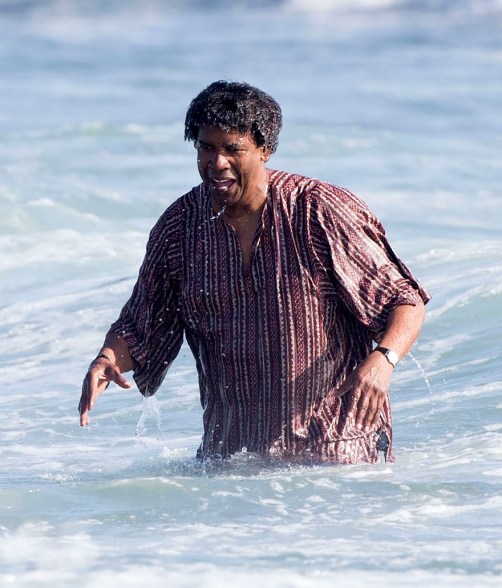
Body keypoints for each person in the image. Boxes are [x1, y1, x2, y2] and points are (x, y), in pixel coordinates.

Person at [79, 80, 430, 464]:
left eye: (233, 149)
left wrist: (382, 362)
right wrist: (107, 359)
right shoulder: (179, 227)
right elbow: (142, 324)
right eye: (206, 147)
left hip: (337, 455)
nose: (217, 163)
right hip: (232, 462)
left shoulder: (318, 211)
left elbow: (404, 301)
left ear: (265, 150)